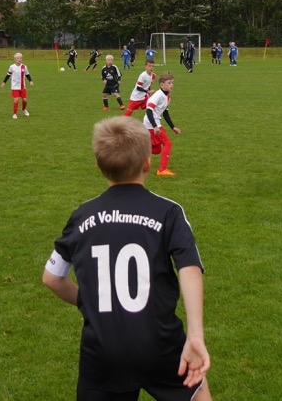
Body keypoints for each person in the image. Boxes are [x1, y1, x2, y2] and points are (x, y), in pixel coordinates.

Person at [42, 116, 212, 401]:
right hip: (160, 344)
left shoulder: (82, 216)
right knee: (198, 393)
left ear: (98, 166)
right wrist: (195, 335)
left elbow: (51, 278)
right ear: (147, 163)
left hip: (102, 350)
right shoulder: (168, 212)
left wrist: (89, 299)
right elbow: (189, 268)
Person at [144, 73, 181, 176]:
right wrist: (155, 126)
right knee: (167, 143)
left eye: (172, 83)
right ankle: (161, 170)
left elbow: (165, 113)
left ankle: (139, 157)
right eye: (169, 83)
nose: (171, 85)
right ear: (162, 85)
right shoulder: (158, 95)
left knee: (156, 149)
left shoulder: (167, 97)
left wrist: (173, 127)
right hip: (152, 124)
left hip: (151, 124)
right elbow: (149, 110)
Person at [1, 52, 34, 119]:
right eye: (18, 58)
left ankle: (23, 109)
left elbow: (27, 74)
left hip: (22, 87)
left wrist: (30, 81)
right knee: (16, 99)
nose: (19, 59)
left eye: (20, 58)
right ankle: (15, 114)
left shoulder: (24, 66)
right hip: (15, 87)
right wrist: (4, 82)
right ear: (15, 59)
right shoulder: (12, 67)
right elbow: (8, 75)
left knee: (24, 100)